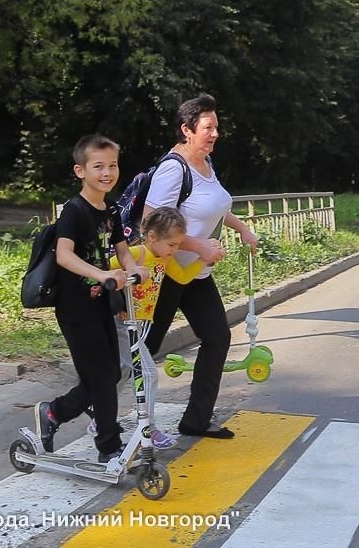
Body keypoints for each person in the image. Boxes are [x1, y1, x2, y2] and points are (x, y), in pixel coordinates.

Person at [143, 93, 258, 439]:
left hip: (195, 273)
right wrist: (199, 245)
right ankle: (91, 403)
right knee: (144, 347)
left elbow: (214, 207)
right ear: (186, 130)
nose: (214, 134)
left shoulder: (205, 164)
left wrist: (242, 229)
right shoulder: (173, 169)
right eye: (208, 128)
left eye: (216, 127)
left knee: (217, 337)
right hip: (165, 273)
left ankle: (195, 420)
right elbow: (151, 222)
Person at [33, 135, 148, 462]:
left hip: (102, 303)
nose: (107, 172)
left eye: (112, 165)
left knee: (110, 375)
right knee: (101, 377)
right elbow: (64, 256)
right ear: (80, 170)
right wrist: (102, 275)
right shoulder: (74, 210)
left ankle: (54, 413)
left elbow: (122, 251)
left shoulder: (110, 209)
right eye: (98, 166)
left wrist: (134, 268)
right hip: (75, 307)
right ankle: (109, 448)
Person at [101, 206, 204, 450]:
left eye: (178, 245)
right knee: (145, 373)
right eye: (171, 245)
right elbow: (106, 270)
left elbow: (182, 277)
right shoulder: (136, 254)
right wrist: (117, 301)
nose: (175, 250)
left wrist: (204, 260)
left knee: (123, 371)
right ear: (152, 237)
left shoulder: (163, 259)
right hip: (122, 323)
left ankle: (100, 413)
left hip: (139, 324)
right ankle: (148, 429)